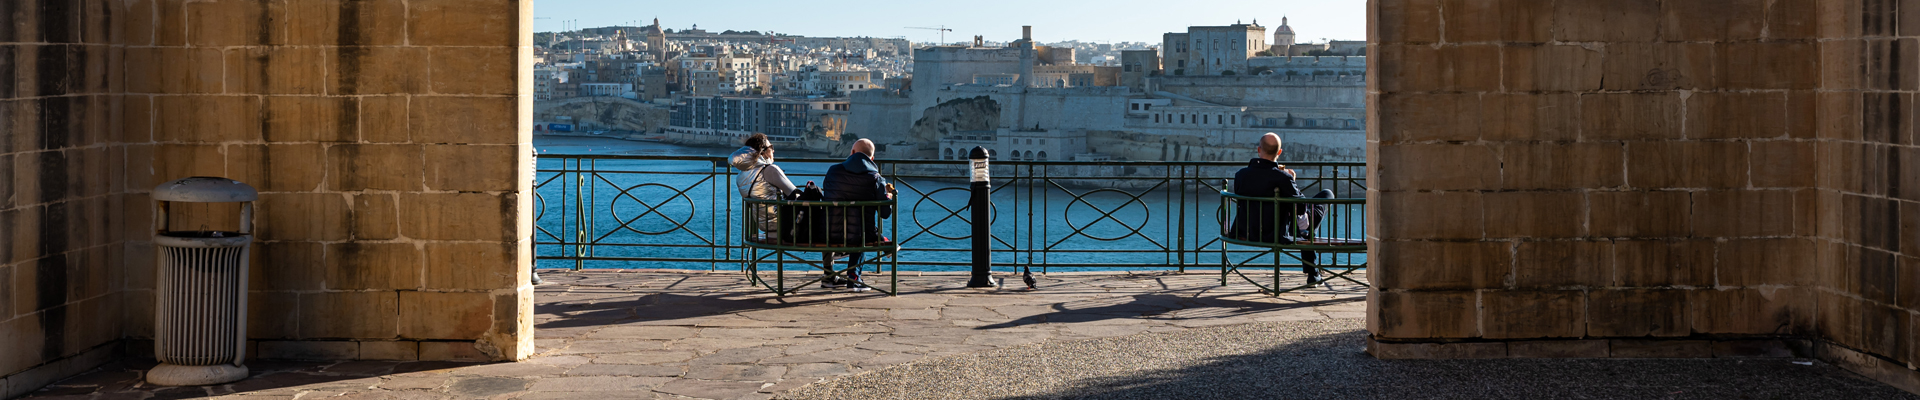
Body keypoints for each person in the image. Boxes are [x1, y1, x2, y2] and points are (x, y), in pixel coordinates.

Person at [1227, 133, 1334, 284]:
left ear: (1259, 150)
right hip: (1277, 233)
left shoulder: (1241, 175)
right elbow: (1301, 208)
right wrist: (1292, 180)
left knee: (1306, 226)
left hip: (1247, 230)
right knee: (1326, 194)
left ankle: (1312, 265)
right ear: (1279, 152)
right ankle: (1312, 267)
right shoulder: (1283, 178)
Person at [821, 139, 895, 292]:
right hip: (859, 236)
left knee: (854, 228)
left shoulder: (833, 171)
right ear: (872, 159)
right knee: (860, 231)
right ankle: (853, 278)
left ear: (852, 153)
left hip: (828, 233)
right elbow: (885, 214)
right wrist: (888, 198)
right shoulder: (876, 178)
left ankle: (829, 275)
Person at [728, 133, 798, 241]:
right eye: (771, 148)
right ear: (763, 152)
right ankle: (830, 256)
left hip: (764, 227)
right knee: (826, 219)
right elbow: (795, 194)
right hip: (785, 225)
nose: (773, 151)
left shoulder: (740, 176)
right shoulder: (770, 170)